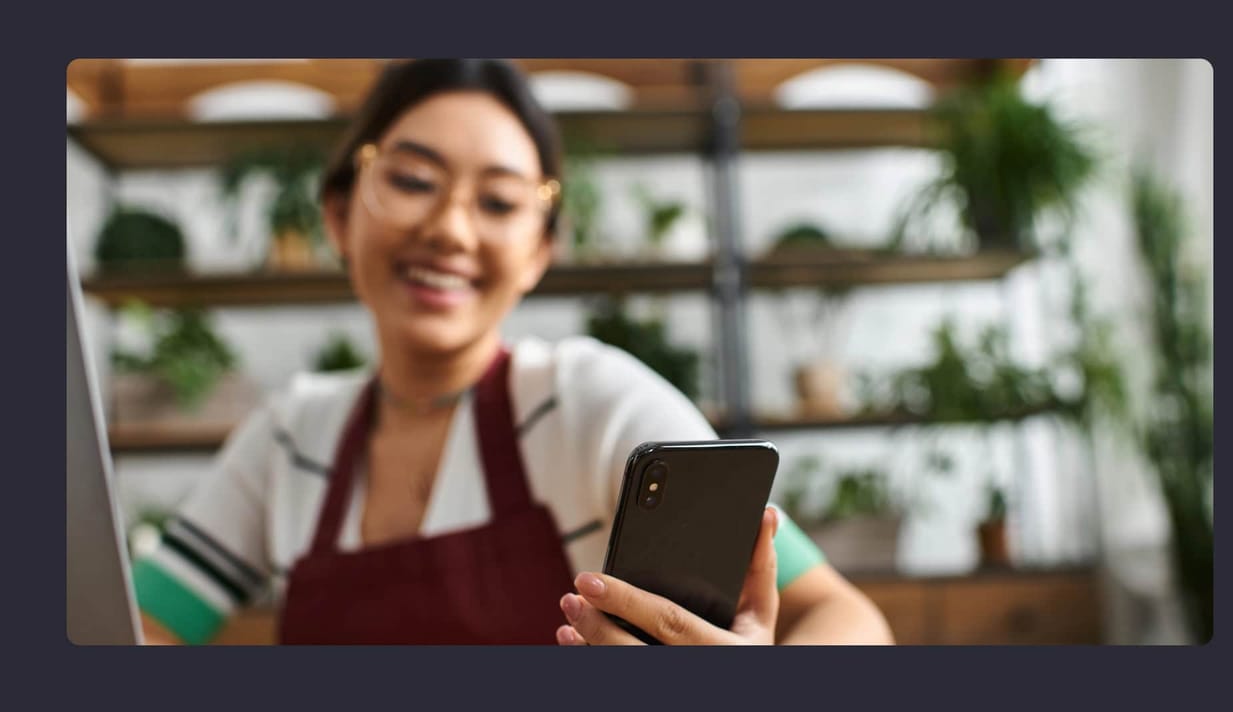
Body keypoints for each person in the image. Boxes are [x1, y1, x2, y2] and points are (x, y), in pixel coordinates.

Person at [130, 58, 894, 645]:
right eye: (413, 179)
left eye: (498, 202)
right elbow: (135, 631)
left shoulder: (590, 403)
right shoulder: (292, 436)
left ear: (537, 254)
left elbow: (844, 616)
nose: (452, 230)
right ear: (338, 216)